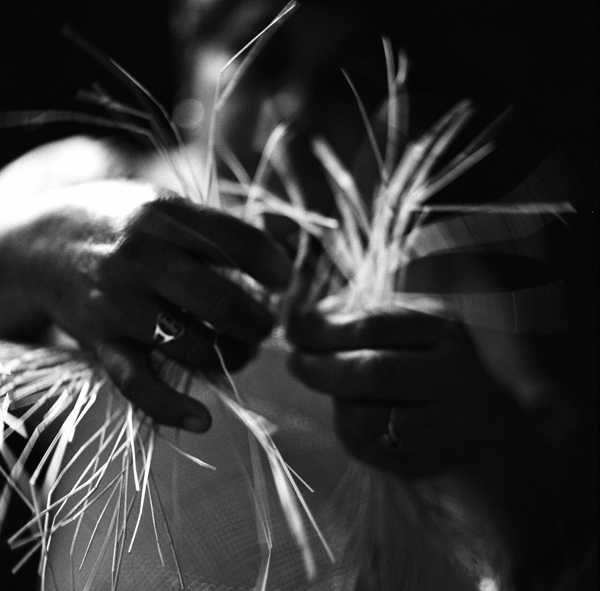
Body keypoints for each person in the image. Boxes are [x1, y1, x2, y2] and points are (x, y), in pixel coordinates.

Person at [1, 1, 597, 589]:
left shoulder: (434, 282)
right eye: (264, 59)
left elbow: (555, 520)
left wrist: (492, 444)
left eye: (344, 78)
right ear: (193, 67)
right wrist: (30, 252)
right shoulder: (79, 179)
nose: (297, 107)